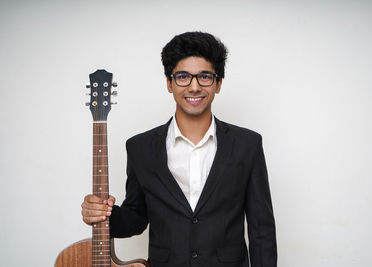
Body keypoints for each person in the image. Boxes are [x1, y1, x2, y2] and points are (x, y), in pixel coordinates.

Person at [81, 31, 277, 267]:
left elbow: (262, 230)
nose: (194, 87)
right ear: (169, 83)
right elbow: (135, 218)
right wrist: (103, 215)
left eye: (205, 77)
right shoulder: (140, 148)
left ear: (218, 84)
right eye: (183, 76)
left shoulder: (247, 144)